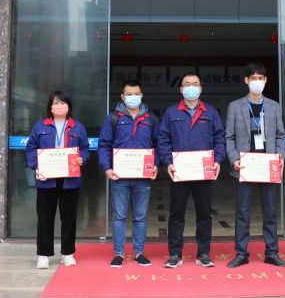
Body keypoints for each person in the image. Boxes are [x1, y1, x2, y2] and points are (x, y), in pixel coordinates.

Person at [157, 72, 226, 268]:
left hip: (203, 172)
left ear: (201, 88)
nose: (191, 87)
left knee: (204, 213)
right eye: (187, 84)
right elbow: (163, 140)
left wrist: (218, 160)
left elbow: (219, 138)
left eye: (195, 84)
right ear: (181, 89)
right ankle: (175, 254)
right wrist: (168, 162)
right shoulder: (171, 113)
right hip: (179, 171)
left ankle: (203, 253)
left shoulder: (210, 112)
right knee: (176, 214)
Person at [225, 62, 285, 268]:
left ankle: (272, 252)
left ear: (266, 80)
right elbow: (229, 137)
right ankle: (241, 253)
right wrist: (234, 159)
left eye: (260, 78)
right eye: (253, 78)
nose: (257, 82)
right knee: (242, 212)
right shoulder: (235, 106)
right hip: (245, 165)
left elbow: (280, 135)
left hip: (268, 164)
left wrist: (279, 157)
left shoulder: (273, 106)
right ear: (246, 81)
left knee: (270, 212)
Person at [25, 91, 90, 269]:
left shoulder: (78, 127)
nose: (59, 106)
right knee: (45, 217)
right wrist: (36, 166)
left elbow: (85, 149)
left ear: (69, 107)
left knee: (69, 217)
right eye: (55, 103)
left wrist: (82, 159)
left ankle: (67, 253)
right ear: (50, 107)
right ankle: (43, 254)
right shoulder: (40, 126)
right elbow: (30, 148)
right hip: (47, 179)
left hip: (70, 180)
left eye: (63, 103)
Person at [98, 79, 159, 267]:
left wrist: (156, 164)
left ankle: (139, 252)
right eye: (129, 94)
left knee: (141, 216)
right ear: (123, 97)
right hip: (119, 177)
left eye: (136, 94)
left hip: (143, 177)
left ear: (142, 95)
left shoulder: (150, 119)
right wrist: (107, 168)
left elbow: (159, 144)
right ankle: (119, 253)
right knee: (119, 216)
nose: (133, 97)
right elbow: (104, 145)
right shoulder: (113, 118)